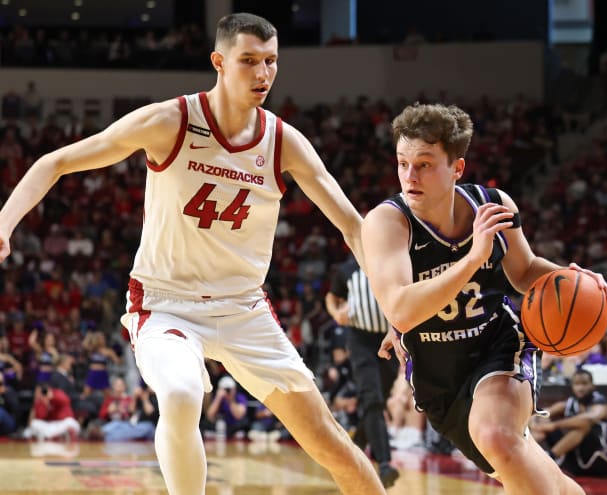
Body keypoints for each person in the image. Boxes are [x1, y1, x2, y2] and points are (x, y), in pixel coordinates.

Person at [0, 12, 385, 495]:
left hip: (243, 308)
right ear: (218, 62)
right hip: (165, 303)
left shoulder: (283, 141)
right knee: (181, 394)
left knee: (331, 445)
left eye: (271, 62)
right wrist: (3, 223)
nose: (262, 74)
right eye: (249, 61)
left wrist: (395, 307)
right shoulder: (170, 121)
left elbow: (354, 226)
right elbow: (54, 162)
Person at [361, 102, 607, 495]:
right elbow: (400, 310)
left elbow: (525, 271)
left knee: (496, 436)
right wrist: (472, 258)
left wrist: (575, 279)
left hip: (497, 344)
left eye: (425, 163)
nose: (410, 176)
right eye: (402, 163)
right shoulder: (387, 223)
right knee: (525, 471)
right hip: (438, 380)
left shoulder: (493, 206)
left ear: (456, 168)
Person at [325, 255, 400, 487]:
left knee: (378, 400)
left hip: (388, 338)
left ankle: (355, 449)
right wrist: (336, 312)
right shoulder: (347, 268)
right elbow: (331, 296)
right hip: (360, 340)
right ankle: (384, 464)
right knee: (372, 398)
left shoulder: (389, 263)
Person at [529, 369, 607, 477]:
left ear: (592, 385)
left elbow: (588, 419)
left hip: (601, 458)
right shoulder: (570, 403)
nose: (580, 388)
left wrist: (554, 425)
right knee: (542, 421)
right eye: (577, 384)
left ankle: (550, 456)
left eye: (584, 384)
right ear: (572, 386)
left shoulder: (601, 404)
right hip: (577, 460)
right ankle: (527, 456)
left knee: (583, 425)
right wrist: (534, 422)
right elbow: (543, 412)